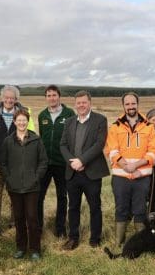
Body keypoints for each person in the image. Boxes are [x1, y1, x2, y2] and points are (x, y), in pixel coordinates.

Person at [105, 92, 155, 247]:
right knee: (121, 208)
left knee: (140, 209)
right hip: (121, 176)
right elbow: (112, 150)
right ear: (123, 106)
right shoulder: (115, 126)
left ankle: (140, 242)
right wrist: (126, 166)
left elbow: (153, 151)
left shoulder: (148, 127)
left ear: (137, 104)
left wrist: (136, 166)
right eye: (127, 104)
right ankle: (118, 242)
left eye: (133, 103)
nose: (130, 106)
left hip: (141, 175)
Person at [59, 90, 109, 250]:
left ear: (90, 103)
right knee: (73, 206)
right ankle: (73, 238)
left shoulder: (100, 120)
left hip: (92, 172)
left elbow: (99, 144)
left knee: (95, 206)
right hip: (73, 173)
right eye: (78, 103)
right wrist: (72, 162)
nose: (81, 105)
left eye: (84, 102)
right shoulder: (69, 121)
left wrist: (82, 160)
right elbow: (63, 145)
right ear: (75, 104)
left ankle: (95, 238)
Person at [0, 110, 48, 260]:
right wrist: (9, 178)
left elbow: (43, 161)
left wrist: (36, 177)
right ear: (14, 122)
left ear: (28, 121)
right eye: (18, 120)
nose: (21, 123)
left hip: (32, 187)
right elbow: (2, 163)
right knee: (19, 218)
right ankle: (20, 247)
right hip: (14, 187)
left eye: (24, 120)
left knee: (32, 217)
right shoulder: (8, 141)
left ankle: (35, 249)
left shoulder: (36, 140)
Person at [0, 85, 35, 238]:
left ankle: (14, 223)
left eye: (12, 98)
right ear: (2, 98)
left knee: (14, 194)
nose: (9, 100)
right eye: (6, 97)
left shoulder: (24, 114)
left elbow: (32, 135)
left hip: (16, 162)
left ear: (16, 100)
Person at [37, 84, 75, 238]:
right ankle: (38, 227)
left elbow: (72, 138)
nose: (51, 98)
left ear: (59, 96)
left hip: (62, 163)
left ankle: (60, 229)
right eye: (48, 95)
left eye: (54, 95)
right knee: (39, 195)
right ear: (46, 98)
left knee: (62, 196)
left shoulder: (69, 113)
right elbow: (41, 138)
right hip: (45, 163)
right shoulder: (42, 116)